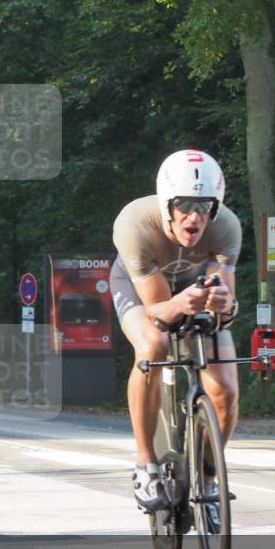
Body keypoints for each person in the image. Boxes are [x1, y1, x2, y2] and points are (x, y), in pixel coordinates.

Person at [110, 149, 241, 522]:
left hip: (192, 287)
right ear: (168, 205)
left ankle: (210, 477)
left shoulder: (227, 227)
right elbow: (158, 313)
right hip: (142, 291)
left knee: (226, 386)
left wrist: (224, 305)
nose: (194, 216)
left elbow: (227, 310)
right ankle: (144, 464)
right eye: (184, 205)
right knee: (153, 346)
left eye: (204, 206)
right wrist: (183, 303)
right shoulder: (134, 225)